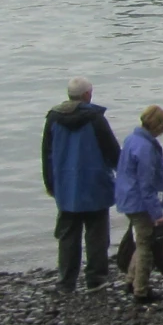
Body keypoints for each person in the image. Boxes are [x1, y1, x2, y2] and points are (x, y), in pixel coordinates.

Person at [41, 77, 120, 290]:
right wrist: (123, 174)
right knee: (97, 235)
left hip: (66, 187)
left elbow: (47, 155)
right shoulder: (95, 119)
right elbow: (111, 151)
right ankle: (96, 278)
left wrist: (50, 183)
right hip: (95, 184)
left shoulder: (53, 119)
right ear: (87, 95)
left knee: (67, 235)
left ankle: (66, 281)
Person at [114, 105, 163, 303]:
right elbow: (146, 184)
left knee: (140, 241)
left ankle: (131, 280)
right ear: (157, 126)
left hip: (127, 198)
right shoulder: (146, 148)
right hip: (139, 203)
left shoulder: (132, 139)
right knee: (145, 246)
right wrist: (157, 214)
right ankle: (141, 290)